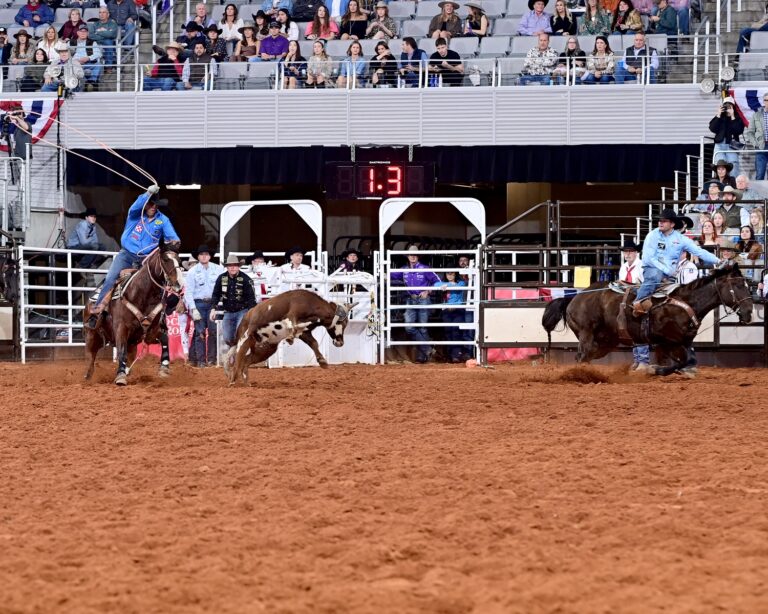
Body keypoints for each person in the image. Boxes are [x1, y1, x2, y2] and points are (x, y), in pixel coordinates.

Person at [86, 185, 180, 328]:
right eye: (150, 204)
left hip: (146, 259)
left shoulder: (163, 220)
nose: (153, 207)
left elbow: (174, 238)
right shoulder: (135, 215)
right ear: (145, 204)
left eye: (155, 205)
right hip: (126, 255)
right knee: (111, 278)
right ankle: (97, 312)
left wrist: (173, 242)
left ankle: (160, 317)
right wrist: (147, 193)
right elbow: (135, 206)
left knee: (158, 281)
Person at [632, 208, 722, 316]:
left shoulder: (681, 239)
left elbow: (699, 251)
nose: (660, 222)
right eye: (660, 220)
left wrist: (718, 260)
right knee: (656, 275)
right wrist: (667, 270)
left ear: (672, 224)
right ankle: (638, 303)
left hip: (671, 274)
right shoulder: (652, 235)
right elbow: (648, 258)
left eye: (664, 221)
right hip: (653, 269)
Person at [390, 245, 440, 363]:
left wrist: (428, 291)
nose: (412, 256)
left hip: (423, 299)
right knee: (409, 327)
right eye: (410, 255)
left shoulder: (425, 268)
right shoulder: (403, 270)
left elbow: (438, 281)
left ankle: (422, 356)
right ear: (407, 256)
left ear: (418, 256)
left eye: (415, 255)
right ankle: (427, 349)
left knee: (422, 328)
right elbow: (390, 275)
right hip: (411, 299)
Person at [185, 245, 224, 367]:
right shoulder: (192, 271)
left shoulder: (219, 269)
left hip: (213, 304)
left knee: (213, 331)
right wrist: (193, 308)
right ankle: (201, 360)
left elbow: (222, 287)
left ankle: (212, 360)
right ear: (198, 256)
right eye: (201, 254)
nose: (204, 256)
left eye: (206, 254)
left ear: (210, 256)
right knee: (200, 332)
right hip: (199, 304)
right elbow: (188, 291)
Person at [211, 255, 257, 347]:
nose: (233, 268)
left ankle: (239, 356)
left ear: (238, 267)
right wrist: (213, 308)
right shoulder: (221, 278)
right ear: (227, 267)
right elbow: (216, 294)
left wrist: (251, 313)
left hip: (242, 311)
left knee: (241, 334)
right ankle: (234, 351)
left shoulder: (246, 279)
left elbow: (251, 298)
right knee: (227, 337)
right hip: (227, 312)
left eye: (235, 265)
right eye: (230, 265)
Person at [618, 239, 649, 371]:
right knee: (632, 329)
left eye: (630, 251)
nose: (627, 254)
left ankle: (643, 360)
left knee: (639, 327)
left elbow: (645, 284)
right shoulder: (623, 267)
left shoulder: (642, 265)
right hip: (628, 300)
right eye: (626, 251)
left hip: (639, 299)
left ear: (636, 252)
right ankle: (637, 359)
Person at [434, 270, 468, 363]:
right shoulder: (442, 283)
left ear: (455, 274)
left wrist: (447, 286)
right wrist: (446, 285)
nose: (450, 275)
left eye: (452, 273)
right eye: (448, 273)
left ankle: (456, 355)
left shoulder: (460, 282)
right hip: (446, 310)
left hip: (458, 309)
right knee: (448, 332)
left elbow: (460, 287)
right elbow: (435, 285)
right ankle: (450, 355)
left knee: (456, 331)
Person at [709, 97, 744, 175]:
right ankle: (722, 185)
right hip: (720, 144)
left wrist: (732, 116)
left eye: (729, 105)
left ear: (733, 106)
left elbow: (739, 131)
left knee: (733, 165)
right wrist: (718, 114)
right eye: (726, 105)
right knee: (720, 166)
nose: (727, 107)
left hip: (732, 145)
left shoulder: (737, 118)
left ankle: (733, 185)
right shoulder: (720, 117)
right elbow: (712, 128)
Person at [744, 93, 768, 181]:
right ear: (763, 102)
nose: (767, 102)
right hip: (761, 147)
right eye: (766, 100)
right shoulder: (756, 115)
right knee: (760, 175)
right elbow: (750, 132)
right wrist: (755, 144)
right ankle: (759, 195)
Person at [72, 24, 103, 91]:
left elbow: (98, 54)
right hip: (76, 64)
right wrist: (76, 61)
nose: (83, 33)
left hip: (88, 63)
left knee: (98, 65)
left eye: (85, 31)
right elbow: (66, 54)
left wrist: (88, 58)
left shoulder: (92, 43)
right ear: (78, 33)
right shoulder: (71, 42)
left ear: (88, 33)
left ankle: (91, 82)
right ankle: (85, 84)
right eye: (81, 31)